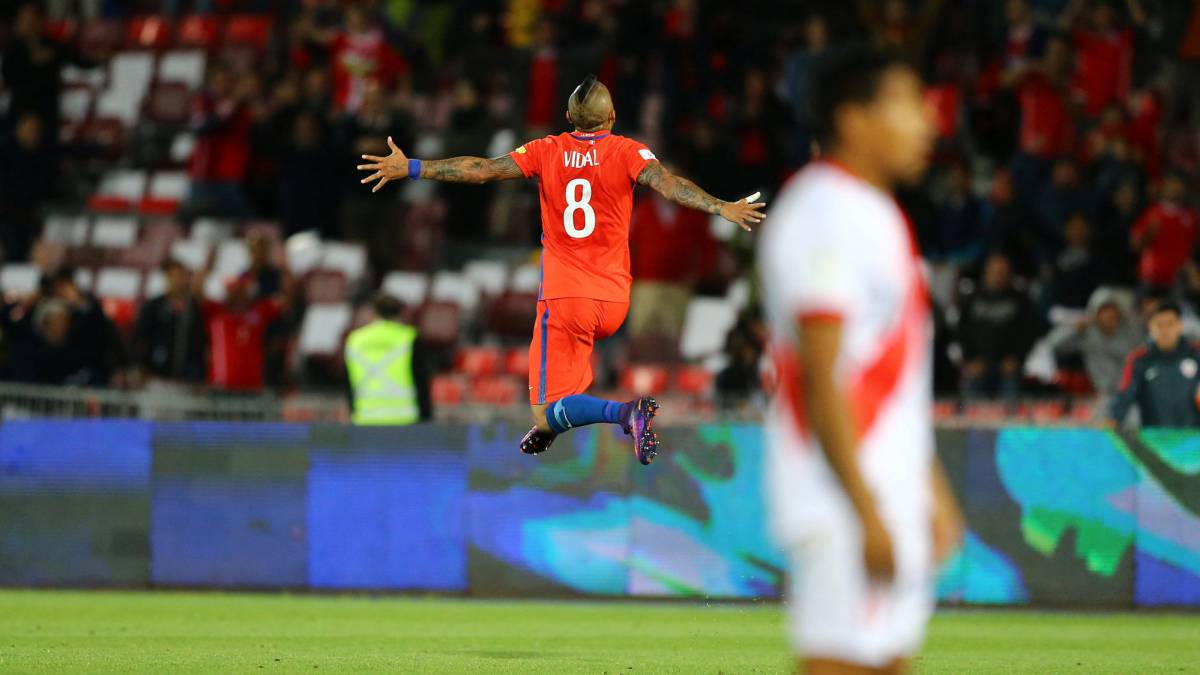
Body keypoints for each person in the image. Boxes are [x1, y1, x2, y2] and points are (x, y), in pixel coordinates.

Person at [357, 74, 764, 463]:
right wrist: (721, 206)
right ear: (612, 116)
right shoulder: (628, 151)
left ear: (568, 119)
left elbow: (482, 170)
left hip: (566, 297)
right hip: (615, 299)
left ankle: (623, 415)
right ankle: (552, 426)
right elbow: (668, 183)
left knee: (542, 410)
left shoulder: (545, 149)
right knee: (558, 406)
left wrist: (412, 167)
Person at [757, 48, 962, 674]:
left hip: (880, 489)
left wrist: (930, 492)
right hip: (843, 494)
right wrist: (865, 509)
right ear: (852, 118)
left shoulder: (874, 213)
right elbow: (821, 378)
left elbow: (888, 376)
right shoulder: (827, 212)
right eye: (907, 104)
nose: (929, 122)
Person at [957, 253, 1041, 402]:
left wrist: (1017, 359)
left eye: (1003, 271)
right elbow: (961, 331)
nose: (999, 275)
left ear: (1010, 273)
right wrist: (970, 359)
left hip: (1008, 367)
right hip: (977, 366)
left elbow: (1029, 332)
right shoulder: (972, 298)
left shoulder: (1021, 300)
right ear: (986, 272)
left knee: (1010, 414)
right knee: (972, 413)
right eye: (995, 271)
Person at [1109, 301, 1200, 428]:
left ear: (1180, 326)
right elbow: (1125, 394)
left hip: (1194, 438)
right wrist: (1113, 419)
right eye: (1159, 325)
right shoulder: (1139, 359)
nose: (1165, 330)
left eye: (1170, 324)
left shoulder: (1196, 354)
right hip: (1155, 439)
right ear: (1150, 327)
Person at [1048, 287, 1141, 412]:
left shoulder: (1130, 332)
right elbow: (1054, 344)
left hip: (1132, 395)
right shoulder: (1087, 334)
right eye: (1103, 310)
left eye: (1112, 310)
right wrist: (1074, 329)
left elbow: (1143, 355)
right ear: (1095, 313)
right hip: (1103, 395)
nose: (1109, 315)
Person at [344, 294, 431, 425]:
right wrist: (426, 416)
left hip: (365, 417)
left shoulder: (355, 339)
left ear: (374, 313)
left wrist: (353, 411)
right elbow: (421, 380)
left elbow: (348, 381)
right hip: (404, 418)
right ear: (401, 313)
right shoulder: (409, 338)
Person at [133, 259, 208, 385]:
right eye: (175, 276)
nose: (179, 280)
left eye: (182, 276)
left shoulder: (196, 308)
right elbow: (140, 339)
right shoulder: (153, 307)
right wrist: (141, 367)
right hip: (156, 376)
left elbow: (201, 342)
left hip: (188, 380)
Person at [1130, 170, 1198, 296]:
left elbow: (1194, 247)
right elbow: (1135, 245)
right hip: (1151, 276)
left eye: (1179, 184)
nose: (1175, 188)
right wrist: (1149, 234)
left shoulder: (1191, 217)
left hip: (1178, 278)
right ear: (1164, 186)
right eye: (1171, 183)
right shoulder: (1152, 213)